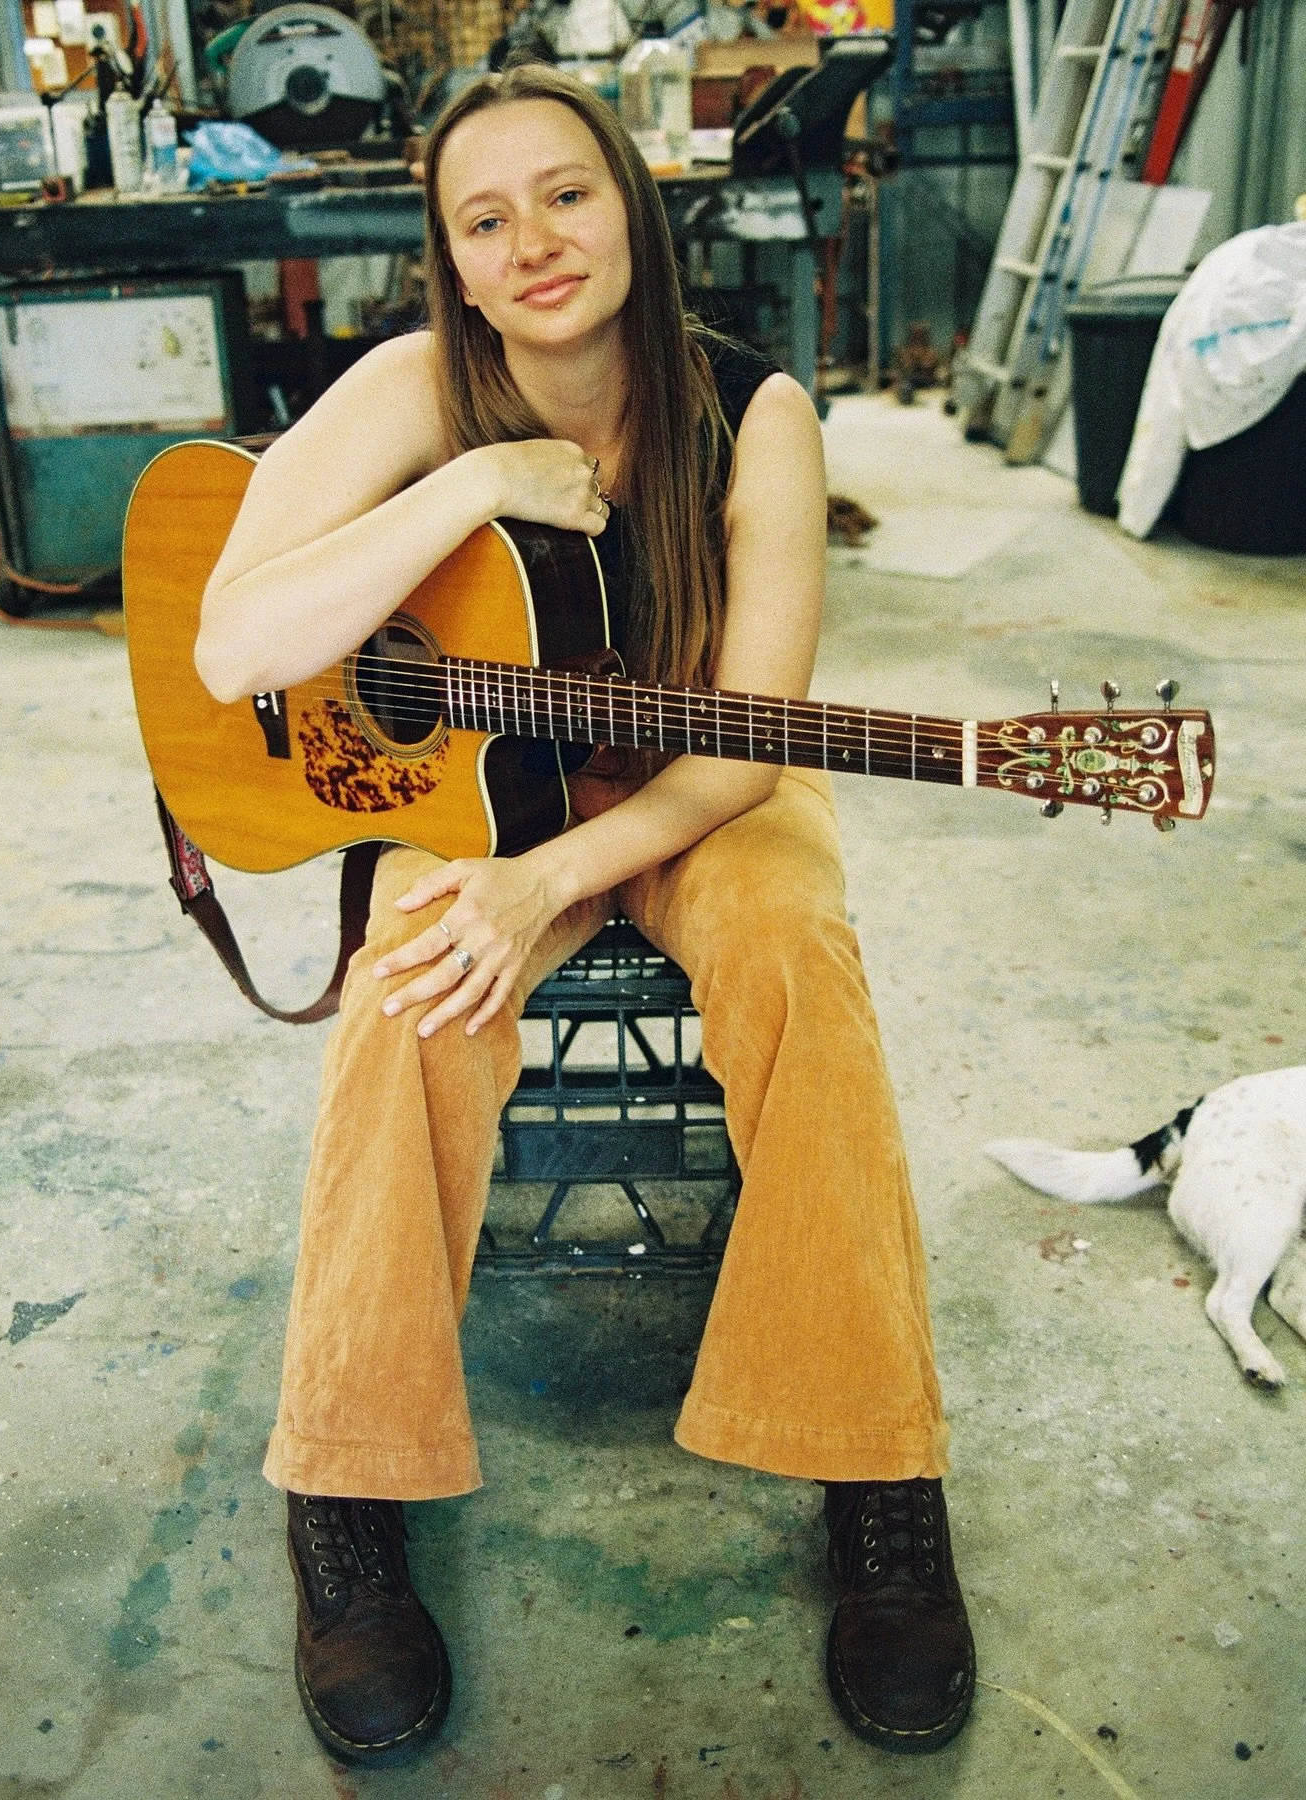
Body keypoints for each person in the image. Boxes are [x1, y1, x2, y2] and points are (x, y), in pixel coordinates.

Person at [193, 62, 974, 1767]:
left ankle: (875, 1463)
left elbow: (756, 728)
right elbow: (230, 648)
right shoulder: (413, 389)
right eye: (486, 220)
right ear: (452, 264)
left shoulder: (752, 410)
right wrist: (469, 491)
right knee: (412, 995)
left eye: (566, 195)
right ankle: (347, 1488)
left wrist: (554, 882)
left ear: (632, 205)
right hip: (474, 787)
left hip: (701, 786)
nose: (534, 242)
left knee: (795, 952)